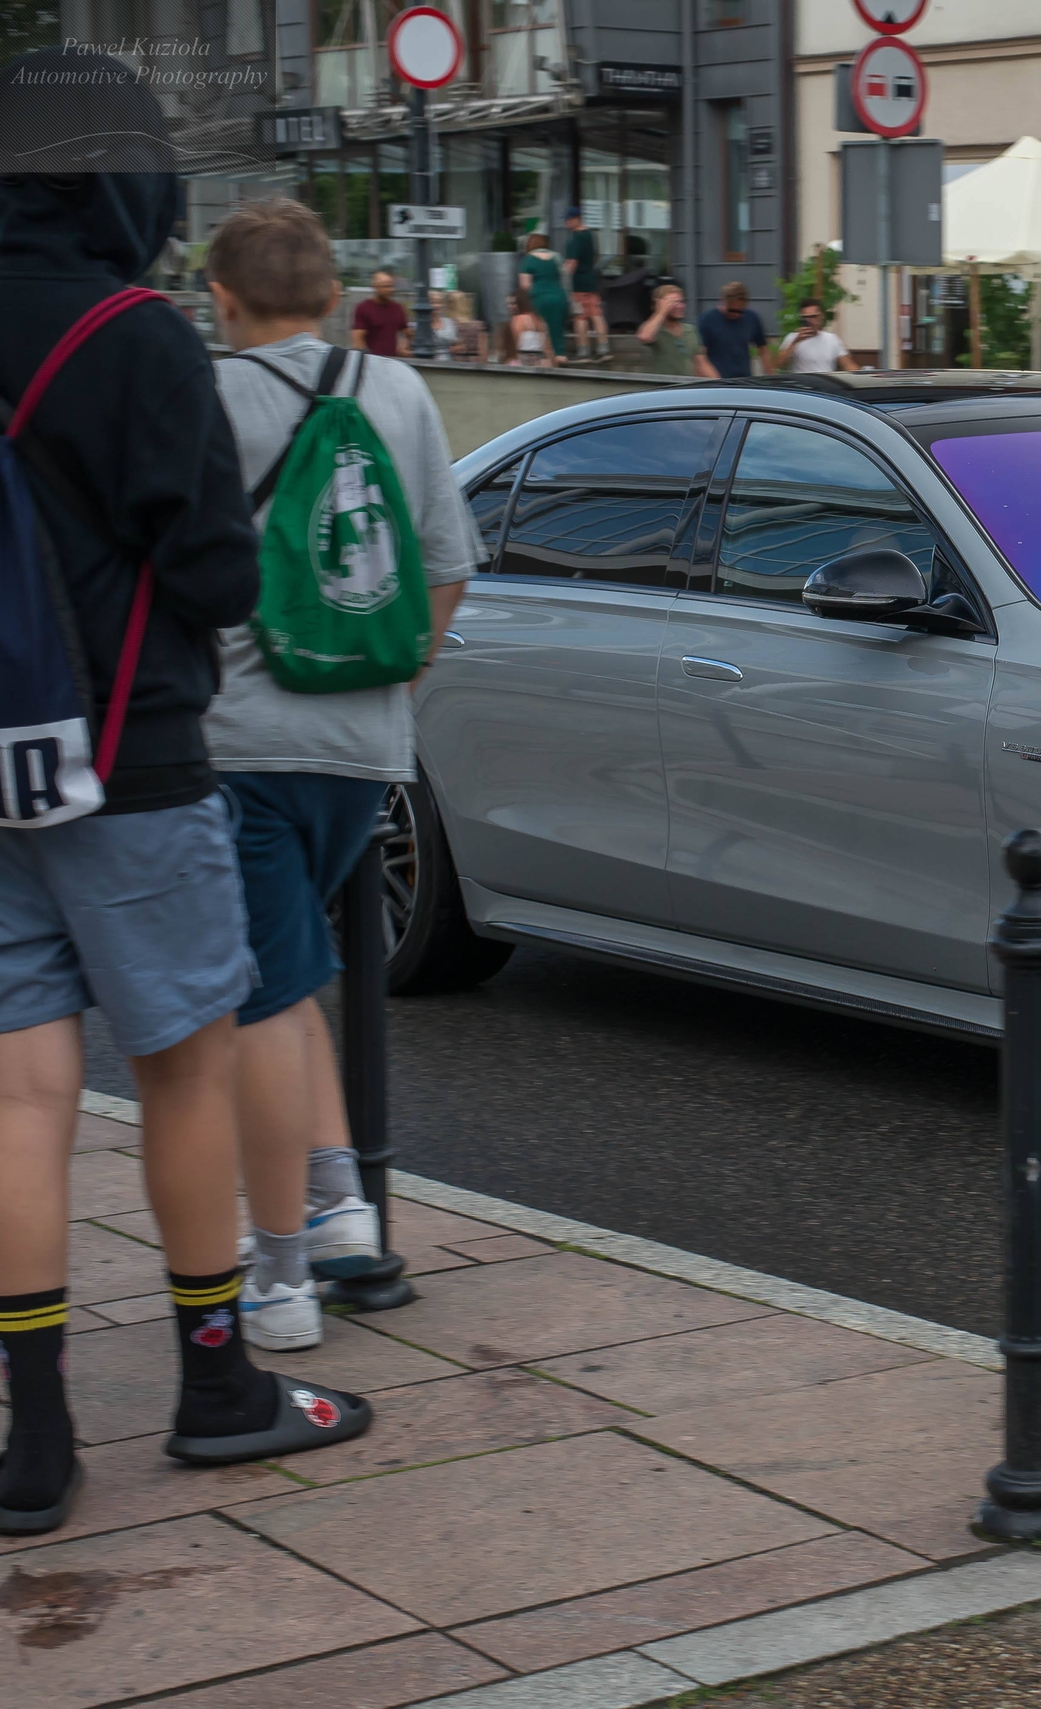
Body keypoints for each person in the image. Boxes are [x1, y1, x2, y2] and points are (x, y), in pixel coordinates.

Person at [0, 49, 369, 1539]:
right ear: (117, 181)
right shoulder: (135, 336)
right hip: (136, 759)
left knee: (20, 1094)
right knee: (185, 1068)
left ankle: (32, 1441)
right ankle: (217, 1383)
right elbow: (216, 567)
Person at [201, 199, 479, 1353]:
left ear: (219, 300)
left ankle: (277, 1281)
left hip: (241, 740)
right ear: (331, 292)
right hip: (364, 749)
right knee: (299, 965)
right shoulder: (398, 391)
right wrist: (388, 692)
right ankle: (343, 1210)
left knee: (259, 999)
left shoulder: (206, 395)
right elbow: (448, 566)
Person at [639, 282, 714, 378]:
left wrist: (720, 386)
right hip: (662, 388)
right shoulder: (653, 329)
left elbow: (701, 362)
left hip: (686, 387)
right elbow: (645, 337)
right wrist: (661, 312)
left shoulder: (690, 329)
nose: (680, 306)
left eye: (681, 302)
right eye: (673, 302)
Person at [517, 233, 568, 366]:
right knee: (557, 328)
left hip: (539, 298)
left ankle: (547, 359)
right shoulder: (557, 257)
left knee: (542, 330)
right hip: (558, 296)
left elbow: (525, 285)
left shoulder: (528, 259)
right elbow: (565, 277)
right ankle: (561, 355)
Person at [698, 281, 767, 379]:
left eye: (740, 311)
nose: (736, 314)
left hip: (743, 380)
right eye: (732, 310)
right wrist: (715, 380)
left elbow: (763, 350)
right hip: (717, 380)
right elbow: (700, 356)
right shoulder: (707, 320)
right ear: (722, 301)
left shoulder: (752, 318)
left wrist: (771, 378)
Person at [561, 209, 603, 360]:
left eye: (568, 220)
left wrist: (563, 278)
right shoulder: (590, 235)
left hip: (578, 283)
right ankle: (603, 349)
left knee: (580, 317)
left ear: (576, 219)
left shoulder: (575, 238)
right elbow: (595, 257)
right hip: (591, 280)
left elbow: (571, 263)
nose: (566, 223)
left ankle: (583, 351)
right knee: (596, 315)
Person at [773, 298, 853, 373]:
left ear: (821, 316)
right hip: (804, 385)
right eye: (805, 317)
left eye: (813, 316)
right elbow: (779, 364)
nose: (810, 320)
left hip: (826, 384)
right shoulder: (793, 338)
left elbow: (847, 365)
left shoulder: (831, 338)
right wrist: (795, 342)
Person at [350, 268, 409, 358]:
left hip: (393, 360)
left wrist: (403, 347)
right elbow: (358, 338)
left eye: (391, 286)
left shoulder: (397, 308)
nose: (390, 290)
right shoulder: (364, 308)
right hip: (373, 360)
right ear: (375, 287)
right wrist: (366, 358)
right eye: (385, 286)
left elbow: (407, 332)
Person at [507, 288, 553, 368]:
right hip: (540, 360)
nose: (510, 307)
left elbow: (514, 344)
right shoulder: (538, 319)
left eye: (513, 304)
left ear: (520, 303)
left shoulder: (517, 320)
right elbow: (547, 347)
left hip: (522, 360)